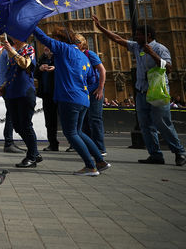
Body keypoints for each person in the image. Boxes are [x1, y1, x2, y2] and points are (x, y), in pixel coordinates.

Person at [92, 16, 185, 166]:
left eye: (139, 34)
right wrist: (101, 27)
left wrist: (152, 54)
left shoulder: (160, 48)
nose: (136, 37)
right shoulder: (137, 47)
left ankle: (179, 152)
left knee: (163, 124)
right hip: (141, 92)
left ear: (148, 36)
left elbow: (168, 68)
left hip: (157, 92)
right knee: (145, 125)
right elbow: (118, 39)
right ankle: (155, 155)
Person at [33, 26, 110, 176]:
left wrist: (30, 23)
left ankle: (90, 166)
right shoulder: (82, 56)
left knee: (70, 133)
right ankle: (100, 161)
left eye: (55, 39)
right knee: (79, 132)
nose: (53, 43)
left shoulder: (63, 48)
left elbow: (43, 38)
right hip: (83, 99)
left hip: (69, 98)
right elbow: (90, 78)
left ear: (61, 40)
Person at [0, 35, 39, 168]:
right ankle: (35, 152)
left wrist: (12, 51)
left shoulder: (29, 49)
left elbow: (25, 64)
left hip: (24, 92)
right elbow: (12, 72)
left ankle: (32, 156)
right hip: (12, 92)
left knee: (26, 125)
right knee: (17, 125)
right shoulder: (11, 51)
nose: (13, 37)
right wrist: (3, 86)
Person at [75, 33, 107, 156]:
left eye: (78, 41)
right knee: (84, 121)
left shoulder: (89, 54)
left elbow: (102, 70)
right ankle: (89, 147)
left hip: (95, 90)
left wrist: (100, 88)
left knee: (95, 119)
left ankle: (100, 148)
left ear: (83, 43)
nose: (75, 44)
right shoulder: (76, 55)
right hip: (84, 92)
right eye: (73, 42)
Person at [34, 45, 59, 151]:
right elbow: (34, 74)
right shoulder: (41, 59)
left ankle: (73, 144)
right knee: (49, 121)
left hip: (59, 93)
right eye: (44, 46)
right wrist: (39, 69)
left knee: (67, 120)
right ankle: (53, 144)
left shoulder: (58, 58)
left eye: (48, 47)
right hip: (47, 94)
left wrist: (55, 69)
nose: (45, 48)